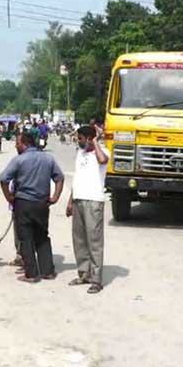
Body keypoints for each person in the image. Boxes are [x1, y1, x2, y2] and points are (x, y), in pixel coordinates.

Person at [0, 131, 65, 283]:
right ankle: (48, 271)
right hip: (42, 203)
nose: (16, 146)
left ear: (24, 144)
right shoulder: (48, 158)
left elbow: (3, 179)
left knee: (26, 238)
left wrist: (9, 198)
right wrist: (55, 197)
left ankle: (31, 273)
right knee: (42, 236)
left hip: (23, 203)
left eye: (17, 143)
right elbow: (59, 178)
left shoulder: (19, 160)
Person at [66, 126, 110, 294]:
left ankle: (96, 280)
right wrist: (70, 201)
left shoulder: (103, 151)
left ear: (89, 138)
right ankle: (84, 273)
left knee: (94, 241)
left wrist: (95, 142)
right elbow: (77, 177)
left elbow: (102, 160)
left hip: (94, 201)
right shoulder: (80, 154)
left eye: (81, 138)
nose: (78, 141)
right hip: (79, 199)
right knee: (79, 240)